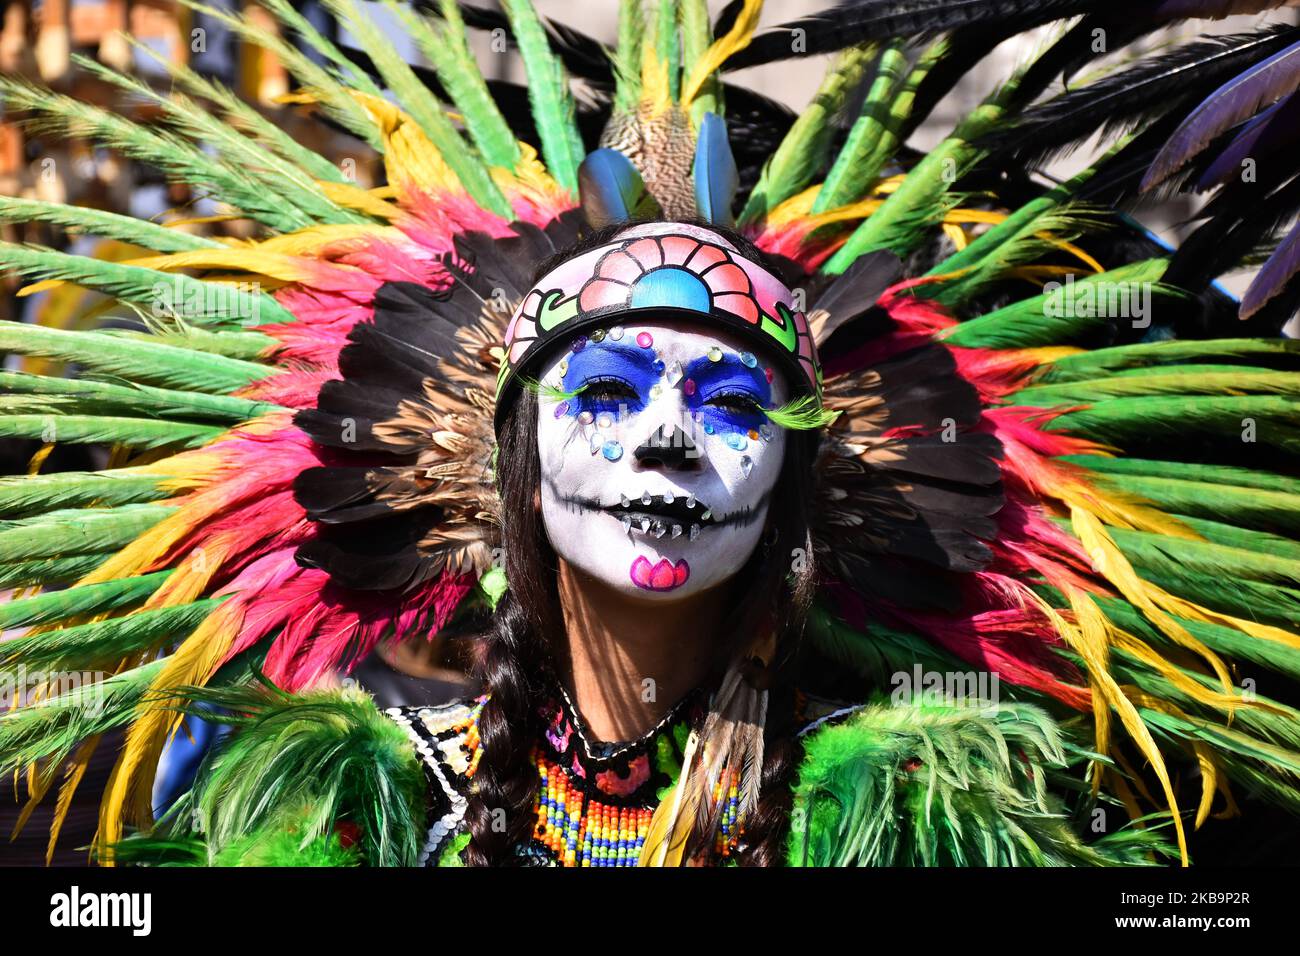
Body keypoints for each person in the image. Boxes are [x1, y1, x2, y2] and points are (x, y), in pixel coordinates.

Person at [2, 0, 1299, 868]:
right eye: (609, 396)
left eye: (732, 406)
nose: (670, 441)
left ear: (796, 474)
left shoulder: (927, 809)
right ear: (505, 461)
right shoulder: (341, 800)